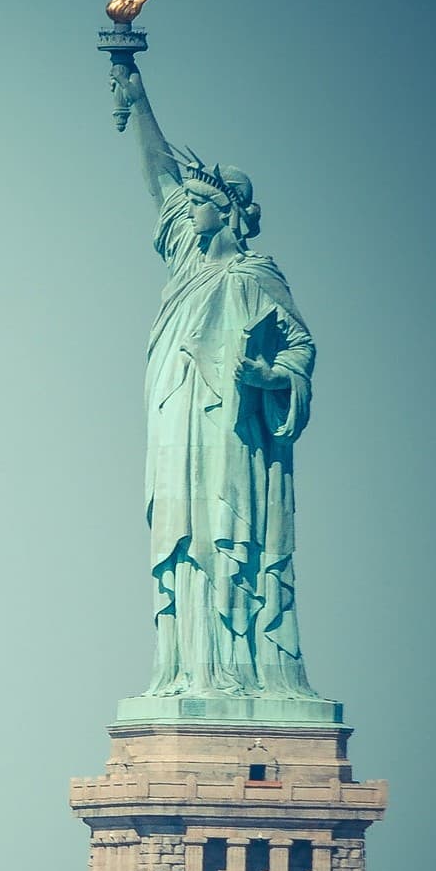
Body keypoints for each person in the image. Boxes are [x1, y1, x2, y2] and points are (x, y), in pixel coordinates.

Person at [112, 66, 320, 698]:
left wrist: (269, 376)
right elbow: (159, 179)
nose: (189, 209)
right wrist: (135, 88)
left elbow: (301, 348)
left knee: (228, 538)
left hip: (231, 429)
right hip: (177, 421)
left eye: (202, 203)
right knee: (182, 545)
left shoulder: (256, 277)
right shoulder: (186, 260)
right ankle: (184, 669)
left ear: (227, 209)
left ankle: (240, 668)